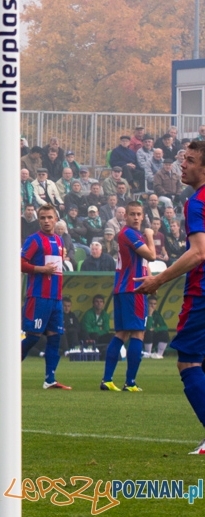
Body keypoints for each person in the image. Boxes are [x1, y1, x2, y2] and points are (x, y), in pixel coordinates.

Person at [134, 140, 205, 453]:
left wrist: (158, 280)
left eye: (190, 160)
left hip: (201, 294)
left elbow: (199, 253)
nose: (182, 165)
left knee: (188, 362)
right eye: (182, 159)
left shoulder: (197, 202)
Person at [100, 201, 156, 392]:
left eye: (139, 214)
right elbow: (152, 256)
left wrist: (150, 278)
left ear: (143, 215)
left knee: (121, 334)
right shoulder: (130, 234)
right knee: (138, 333)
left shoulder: (131, 235)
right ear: (125, 216)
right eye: (132, 214)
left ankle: (107, 380)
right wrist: (150, 235)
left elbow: (142, 261)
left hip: (123, 288)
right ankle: (130, 382)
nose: (136, 217)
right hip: (133, 290)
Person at [20, 204, 71, 390]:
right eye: (42, 218)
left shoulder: (59, 240)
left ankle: (50, 379)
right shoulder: (34, 240)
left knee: (55, 338)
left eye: (50, 217)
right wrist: (41, 269)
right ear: (39, 220)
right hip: (38, 296)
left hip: (55, 298)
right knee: (33, 337)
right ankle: (6, 369)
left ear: (56, 219)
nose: (46, 221)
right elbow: (20, 263)